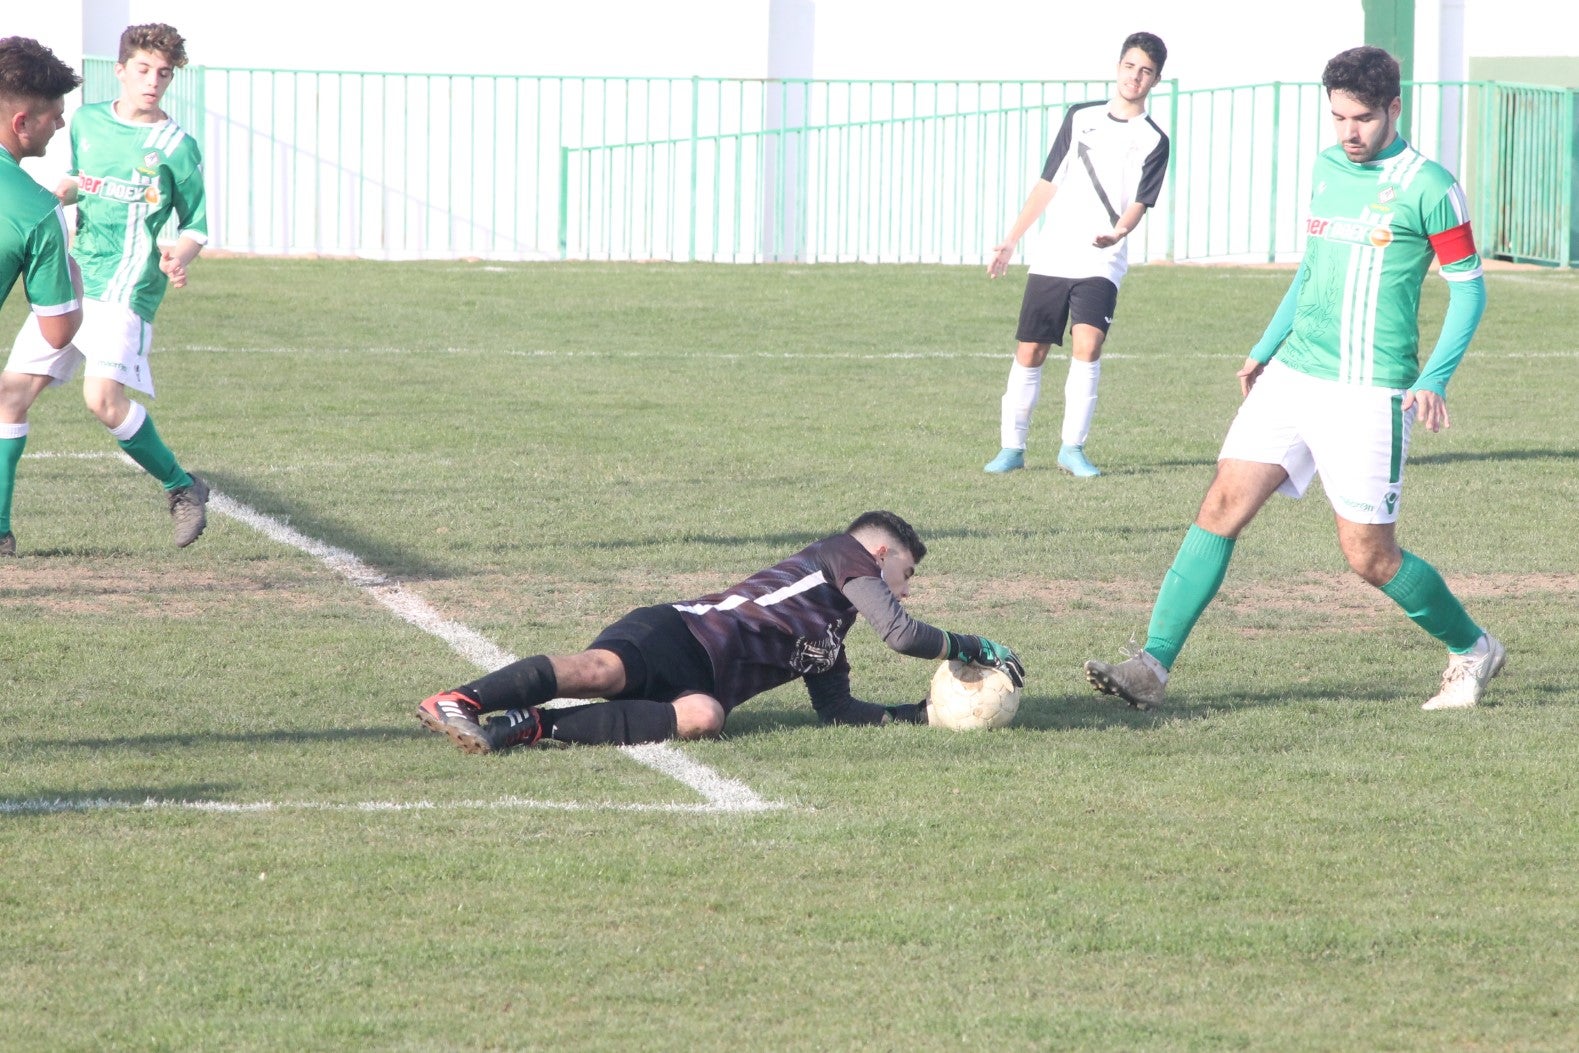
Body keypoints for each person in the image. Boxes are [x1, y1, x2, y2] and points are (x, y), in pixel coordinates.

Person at [1085, 46, 1501, 713]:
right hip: (1293, 373)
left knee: (1368, 557)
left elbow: (1469, 291)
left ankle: (1473, 648)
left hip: (1368, 389)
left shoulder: (1430, 186)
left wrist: (1435, 377)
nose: (1347, 132)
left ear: (1394, 108)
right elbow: (1310, 269)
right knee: (1220, 504)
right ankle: (1150, 666)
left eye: (1361, 117)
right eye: (1336, 116)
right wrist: (1264, 346)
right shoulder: (1327, 166)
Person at [418, 511, 1026, 753]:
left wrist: (921, 714)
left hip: (703, 681)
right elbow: (900, 634)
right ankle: (459, 701)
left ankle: (525, 727)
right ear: (882, 551)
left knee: (706, 718)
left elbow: (838, 712)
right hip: (678, 632)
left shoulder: (831, 637)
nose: (906, 588)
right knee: (601, 671)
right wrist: (976, 648)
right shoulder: (841, 553)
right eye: (906, 572)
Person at [1, 23, 209, 555]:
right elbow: (78, 182)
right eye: (142, 69)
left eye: (163, 73)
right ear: (120, 70)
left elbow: (196, 227)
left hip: (128, 286)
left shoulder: (177, 147)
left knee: (102, 400)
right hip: (74, 278)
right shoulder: (88, 122)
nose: (152, 81)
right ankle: (0, 531)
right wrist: (54, 197)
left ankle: (182, 487)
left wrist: (177, 256)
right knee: (9, 398)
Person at [983, 31, 1170, 479]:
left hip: (1103, 259)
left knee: (1088, 344)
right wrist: (1012, 239)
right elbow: (1049, 180)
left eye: (1145, 71)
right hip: (1054, 254)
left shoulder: (1154, 140)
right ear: (1118, 66)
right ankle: (1012, 447)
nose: (1135, 76)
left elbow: (1140, 202)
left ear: (1156, 79)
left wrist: (1118, 232)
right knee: (1032, 349)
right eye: (1130, 66)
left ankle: (1072, 448)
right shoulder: (1080, 116)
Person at [0, 38, 84, 558]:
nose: (59, 127)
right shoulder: (36, 209)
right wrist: (70, 268)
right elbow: (57, 332)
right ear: (21, 122)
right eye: (54, 117)